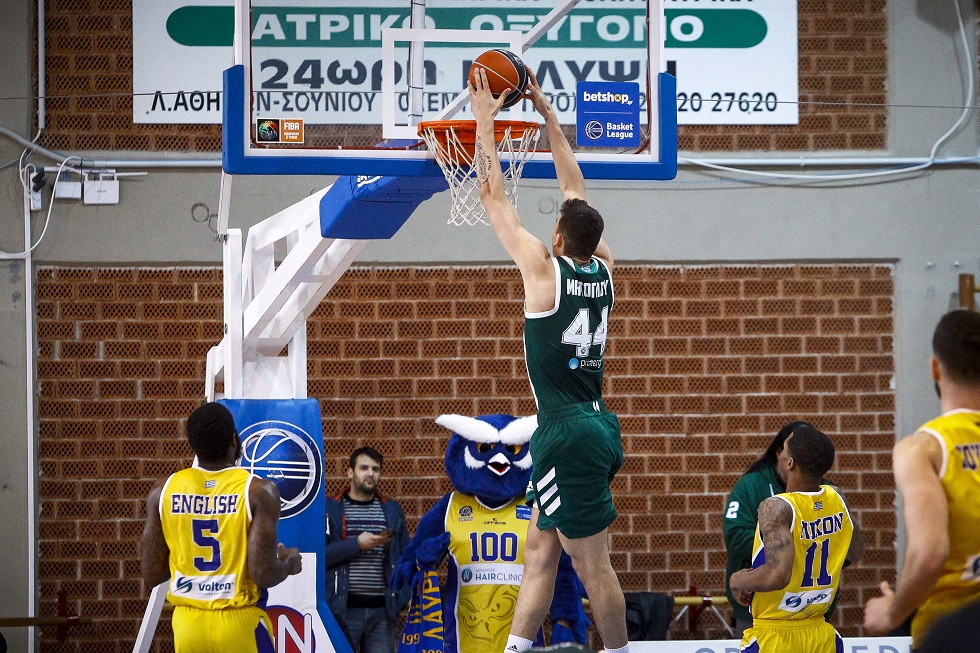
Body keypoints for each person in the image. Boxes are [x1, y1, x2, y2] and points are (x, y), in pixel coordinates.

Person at [470, 68, 628, 653]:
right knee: (540, 550)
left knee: (592, 567)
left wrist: (485, 120)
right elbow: (576, 192)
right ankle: (516, 648)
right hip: (590, 421)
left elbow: (491, 196)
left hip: (567, 430)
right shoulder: (603, 267)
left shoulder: (543, 269)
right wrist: (549, 117)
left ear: (557, 238)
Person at [139, 402, 303, 653]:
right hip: (238, 623)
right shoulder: (258, 491)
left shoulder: (163, 491)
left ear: (193, 445)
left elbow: (151, 574)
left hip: (187, 625)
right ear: (234, 441)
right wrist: (289, 563)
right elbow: (263, 574)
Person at [863, 309, 980, 646]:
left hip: (952, 631)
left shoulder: (924, 448)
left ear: (934, 367)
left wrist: (893, 611)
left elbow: (930, 553)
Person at [729, 424, 864, 653]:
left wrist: (738, 580)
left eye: (784, 449)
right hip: (820, 633)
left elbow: (777, 575)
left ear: (790, 462)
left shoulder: (776, 507)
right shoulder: (837, 497)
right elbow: (856, 552)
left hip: (776, 637)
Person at [325, 446, 411, 653]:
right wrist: (356, 545)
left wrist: (402, 598)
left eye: (376, 469)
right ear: (350, 472)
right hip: (344, 610)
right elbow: (322, 556)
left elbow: (405, 557)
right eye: (364, 468)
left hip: (382, 613)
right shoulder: (332, 509)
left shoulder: (391, 510)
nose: (370, 473)